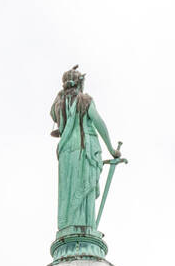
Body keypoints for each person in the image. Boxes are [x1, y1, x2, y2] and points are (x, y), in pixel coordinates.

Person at [50, 66, 121, 232]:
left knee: (68, 191)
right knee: (84, 186)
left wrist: (62, 92)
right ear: (80, 83)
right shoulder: (84, 100)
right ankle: (86, 226)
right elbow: (97, 121)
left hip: (65, 151)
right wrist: (111, 149)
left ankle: (68, 226)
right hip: (84, 147)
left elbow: (52, 113)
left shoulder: (58, 104)